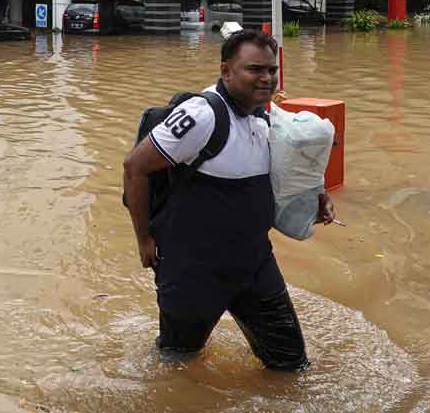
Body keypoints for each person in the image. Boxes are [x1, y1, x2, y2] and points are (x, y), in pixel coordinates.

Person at [121, 29, 335, 371]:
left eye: (271, 70)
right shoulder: (202, 116)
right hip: (194, 270)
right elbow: (135, 167)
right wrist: (144, 239)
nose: (266, 78)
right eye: (254, 69)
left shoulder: (266, 117)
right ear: (226, 71)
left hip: (254, 263)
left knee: (291, 364)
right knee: (177, 365)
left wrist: (314, 200)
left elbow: (286, 175)